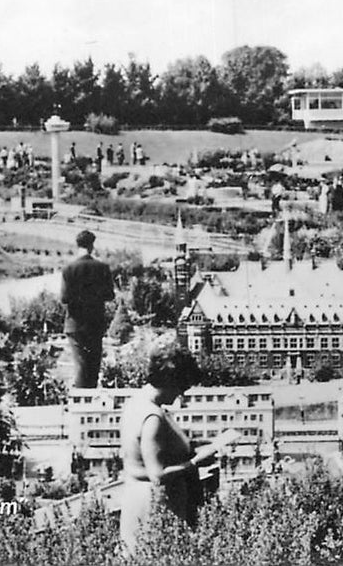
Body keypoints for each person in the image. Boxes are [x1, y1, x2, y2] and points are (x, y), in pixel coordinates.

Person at [120, 342, 215, 557]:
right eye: (182, 387)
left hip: (137, 499)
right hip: (155, 506)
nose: (181, 394)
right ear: (171, 380)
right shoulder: (153, 417)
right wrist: (195, 463)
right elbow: (158, 475)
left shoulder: (136, 404)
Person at [61, 230, 115, 388]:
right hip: (95, 323)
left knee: (80, 366)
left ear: (77, 245)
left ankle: (81, 403)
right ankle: (90, 402)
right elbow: (110, 295)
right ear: (92, 246)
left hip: (75, 325)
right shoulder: (102, 267)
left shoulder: (69, 269)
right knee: (93, 367)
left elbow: (64, 298)